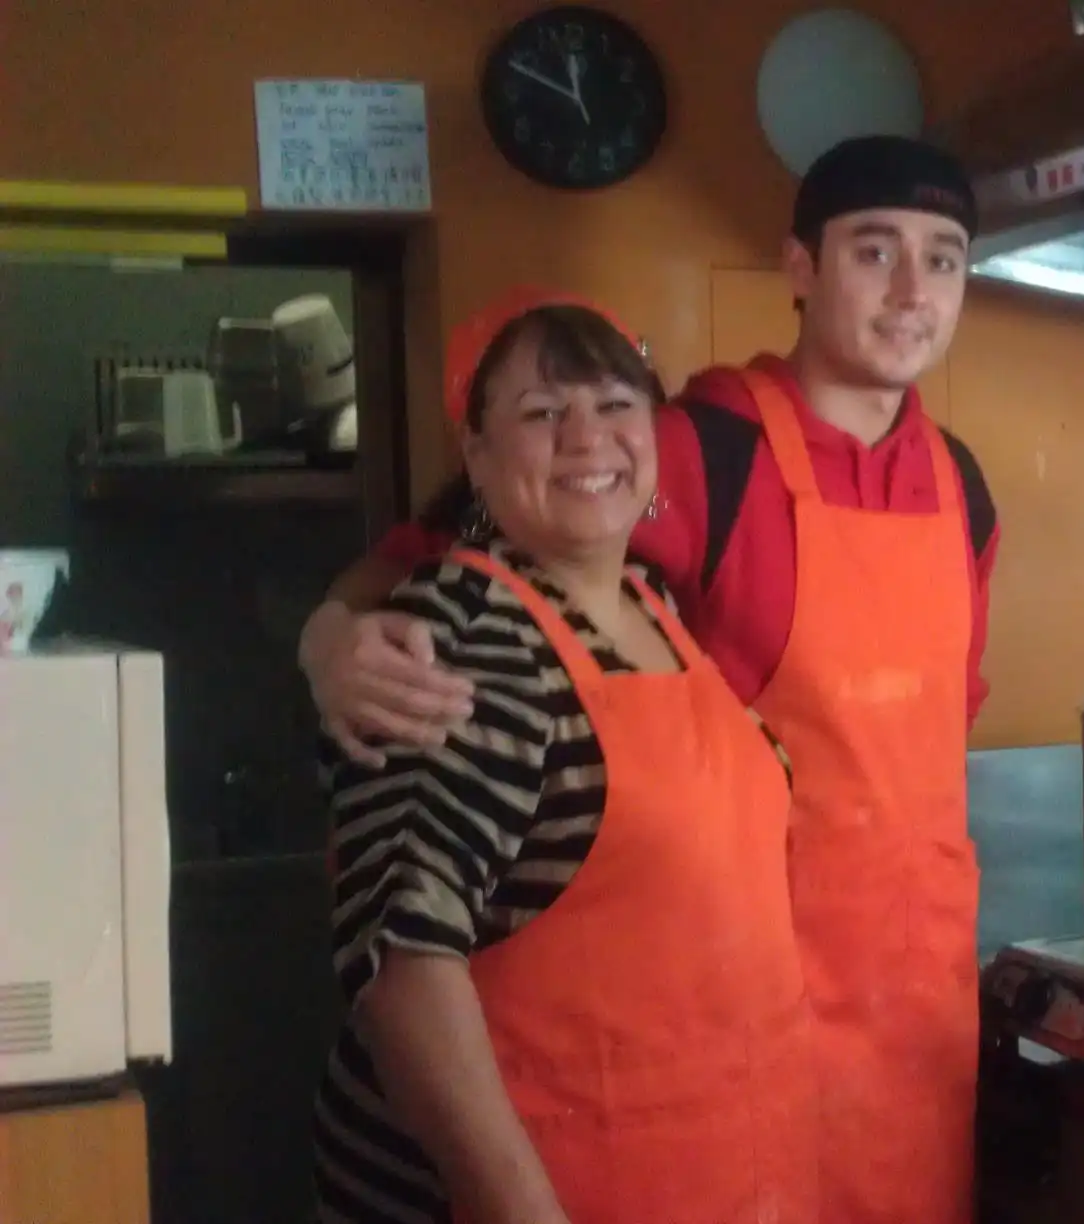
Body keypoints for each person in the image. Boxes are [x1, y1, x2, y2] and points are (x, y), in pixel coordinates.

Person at [301, 135, 995, 1224]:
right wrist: (329, 635)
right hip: (679, 1037)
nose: (912, 291)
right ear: (800, 267)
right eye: (874, 252)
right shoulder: (699, 447)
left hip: (912, 1030)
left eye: (942, 259)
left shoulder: (961, 487)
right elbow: (457, 548)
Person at [311, 300, 815, 1224]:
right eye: (543, 412)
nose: (587, 437)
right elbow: (402, 964)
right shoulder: (460, 640)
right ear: (477, 455)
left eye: (616, 404)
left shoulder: (654, 605)